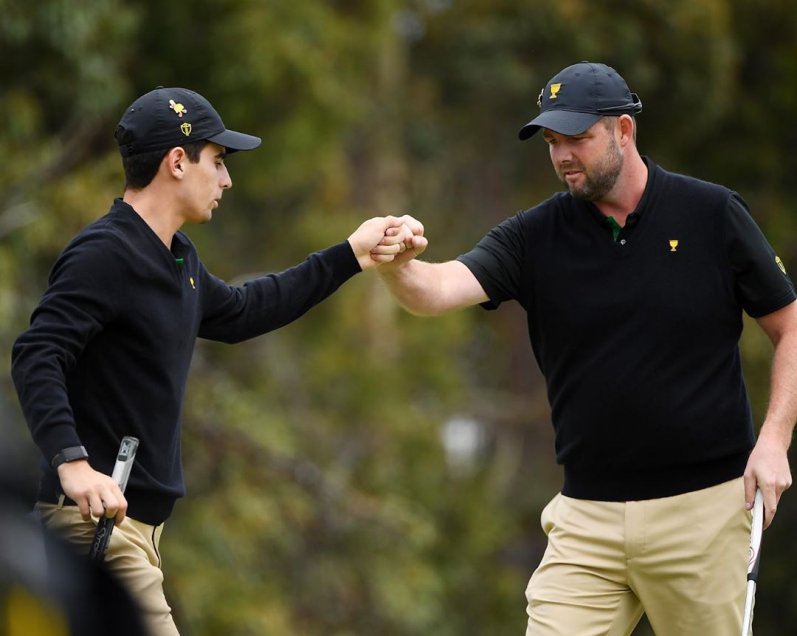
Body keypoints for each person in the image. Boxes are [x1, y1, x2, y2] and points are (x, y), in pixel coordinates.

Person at [378, 61, 797, 635]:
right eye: (552, 142)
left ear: (623, 130)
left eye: (576, 137)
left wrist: (774, 440)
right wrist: (398, 266)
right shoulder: (533, 235)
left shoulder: (711, 214)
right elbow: (437, 290)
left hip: (703, 513)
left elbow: (789, 326)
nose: (562, 156)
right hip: (585, 520)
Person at [11, 86, 412, 636]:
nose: (226, 180)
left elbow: (246, 310)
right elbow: (38, 353)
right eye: (218, 162)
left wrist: (350, 255)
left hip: (136, 535)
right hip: (92, 530)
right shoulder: (106, 252)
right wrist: (72, 463)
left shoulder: (178, 258)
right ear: (178, 161)